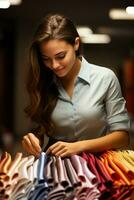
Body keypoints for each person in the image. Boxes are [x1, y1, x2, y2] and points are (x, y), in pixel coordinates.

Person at [22, 13, 131, 158]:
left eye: (61, 56)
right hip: (57, 165)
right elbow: (40, 131)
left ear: (76, 44)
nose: (54, 65)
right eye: (46, 59)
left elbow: (122, 137)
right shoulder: (43, 81)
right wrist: (32, 140)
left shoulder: (105, 78)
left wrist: (79, 146)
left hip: (98, 164)